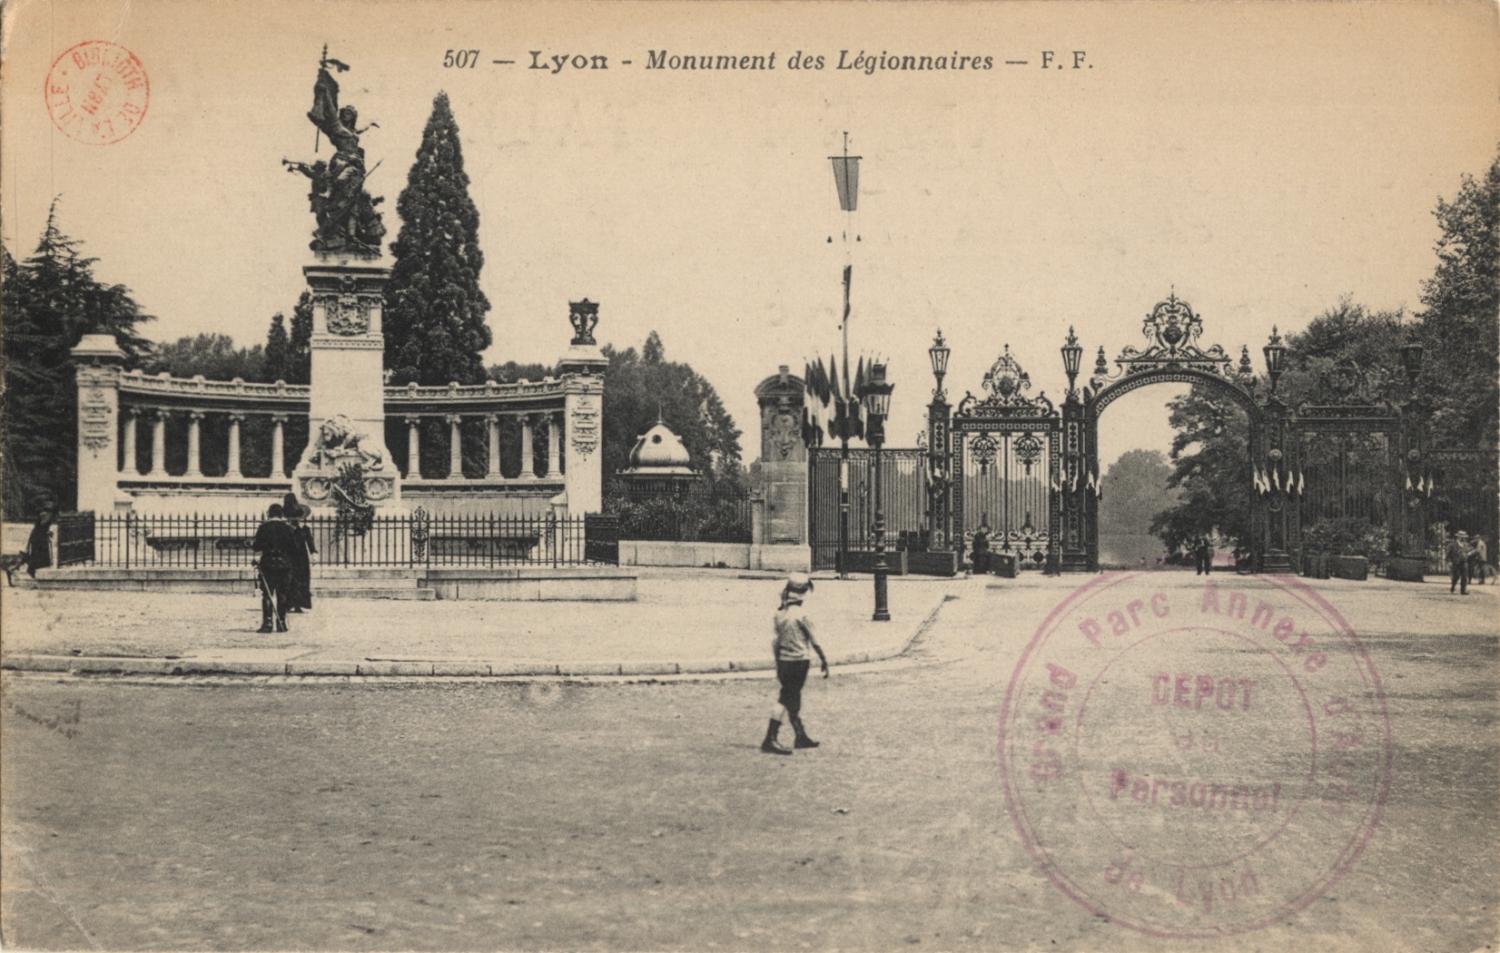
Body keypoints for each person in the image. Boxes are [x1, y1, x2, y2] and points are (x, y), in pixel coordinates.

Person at [761, 572, 830, 756]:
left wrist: (777, 664)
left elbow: (776, 642)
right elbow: (815, 640)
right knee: (786, 698)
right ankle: (770, 738)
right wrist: (824, 660)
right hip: (799, 661)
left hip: (783, 661)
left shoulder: (780, 615)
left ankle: (800, 735)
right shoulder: (802, 615)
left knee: (792, 697)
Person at [252, 503, 298, 632]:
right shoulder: (289, 529)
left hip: (268, 564)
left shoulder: (263, 528)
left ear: (269, 513)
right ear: (281, 514)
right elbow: (294, 548)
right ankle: (281, 623)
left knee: (267, 594)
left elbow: (257, 547)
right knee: (282, 594)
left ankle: (267, 624)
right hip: (284, 564)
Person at [285, 503, 317, 613]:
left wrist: (314, 553)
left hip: (302, 559)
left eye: (298, 517)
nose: (296, 520)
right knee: (290, 580)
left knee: (302, 580)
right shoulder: (286, 529)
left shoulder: (305, 529)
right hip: (289, 557)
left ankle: (299, 604)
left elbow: (310, 542)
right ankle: (289, 604)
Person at [22, 505, 57, 578]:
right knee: (38, 555)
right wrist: (48, 532)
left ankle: (35, 571)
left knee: (39, 554)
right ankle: (32, 570)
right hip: (38, 538)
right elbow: (42, 526)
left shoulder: (45, 515)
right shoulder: (47, 516)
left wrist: (48, 532)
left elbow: (42, 527)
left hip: (39, 537)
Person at [1447, 531, 1470, 595]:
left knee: (1464, 577)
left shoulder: (1466, 544)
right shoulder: (1452, 544)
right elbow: (1448, 554)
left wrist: (1467, 554)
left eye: (1464, 537)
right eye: (1462, 537)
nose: (1463, 538)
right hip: (1456, 562)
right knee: (1456, 576)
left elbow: (1467, 552)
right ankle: (1453, 586)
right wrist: (1449, 561)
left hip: (1464, 561)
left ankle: (1463, 590)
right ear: (1458, 537)